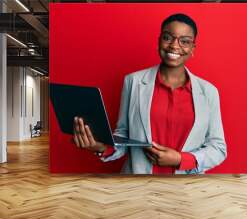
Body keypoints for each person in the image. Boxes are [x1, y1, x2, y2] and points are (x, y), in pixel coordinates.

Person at [73, 13, 226, 174]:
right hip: (137, 184)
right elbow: (123, 136)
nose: (174, 45)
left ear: (193, 48)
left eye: (185, 41)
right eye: (168, 37)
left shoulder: (209, 92)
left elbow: (218, 148)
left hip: (186, 188)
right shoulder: (133, 81)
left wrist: (181, 159)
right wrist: (100, 147)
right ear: (159, 40)